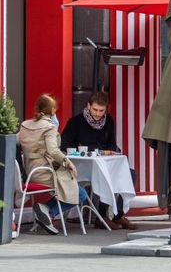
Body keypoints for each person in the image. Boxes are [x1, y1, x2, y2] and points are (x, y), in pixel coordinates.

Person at [60, 91, 138, 230]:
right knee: (107, 176)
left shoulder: (108, 120)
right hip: (84, 165)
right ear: (88, 106)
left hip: (103, 161)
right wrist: (79, 151)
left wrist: (107, 152)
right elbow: (64, 143)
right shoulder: (76, 122)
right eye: (95, 109)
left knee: (130, 174)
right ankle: (101, 218)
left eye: (101, 111)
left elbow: (112, 143)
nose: (97, 113)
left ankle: (117, 214)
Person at [18, 94, 88, 235]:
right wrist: (69, 163)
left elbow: (16, 143)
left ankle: (45, 211)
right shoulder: (49, 127)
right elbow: (54, 151)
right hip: (46, 173)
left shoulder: (25, 125)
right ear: (52, 110)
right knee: (80, 194)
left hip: (29, 172)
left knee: (74, 190)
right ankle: (48, 212)